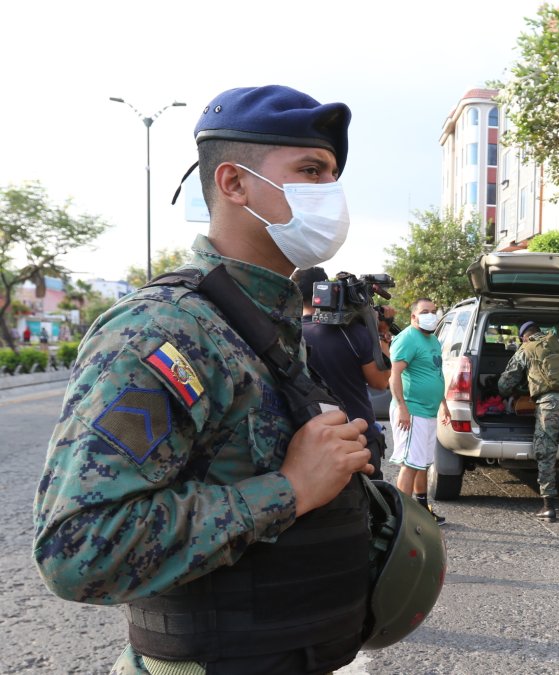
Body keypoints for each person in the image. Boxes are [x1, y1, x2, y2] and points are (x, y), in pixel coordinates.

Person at [32, 85, 380, 674]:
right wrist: (290, 490)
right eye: (310, 171)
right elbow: (79, 548)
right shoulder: (161, 330)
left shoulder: (265, 319)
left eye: (332, 176)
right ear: (234, 183)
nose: (330, 194)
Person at [293, 266, 393, 475]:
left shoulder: (287, 335)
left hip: (305, 444)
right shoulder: (355, 334)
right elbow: (381, 382)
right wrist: (381, 334)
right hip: (357, 439)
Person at [497, 320, 559, 522]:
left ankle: (549, 508)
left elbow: (506, 383)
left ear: (524, 336)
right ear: (539, 332)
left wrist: (513, 389)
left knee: (546, 454)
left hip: (548, 406)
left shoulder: (526, 348)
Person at [389, 297, 449, 524]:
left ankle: (422, 509)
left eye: (433, 311)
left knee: (422, 463)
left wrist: (443, 403)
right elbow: (394, 375)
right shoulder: (407, 338)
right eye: (425, 311)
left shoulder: (433, 340)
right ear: (414, 316)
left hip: (429, 411)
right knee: (410, 464)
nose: (430, 315)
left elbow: (436, 373)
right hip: (412, 410)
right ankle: (400, 519)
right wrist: (402, 408)